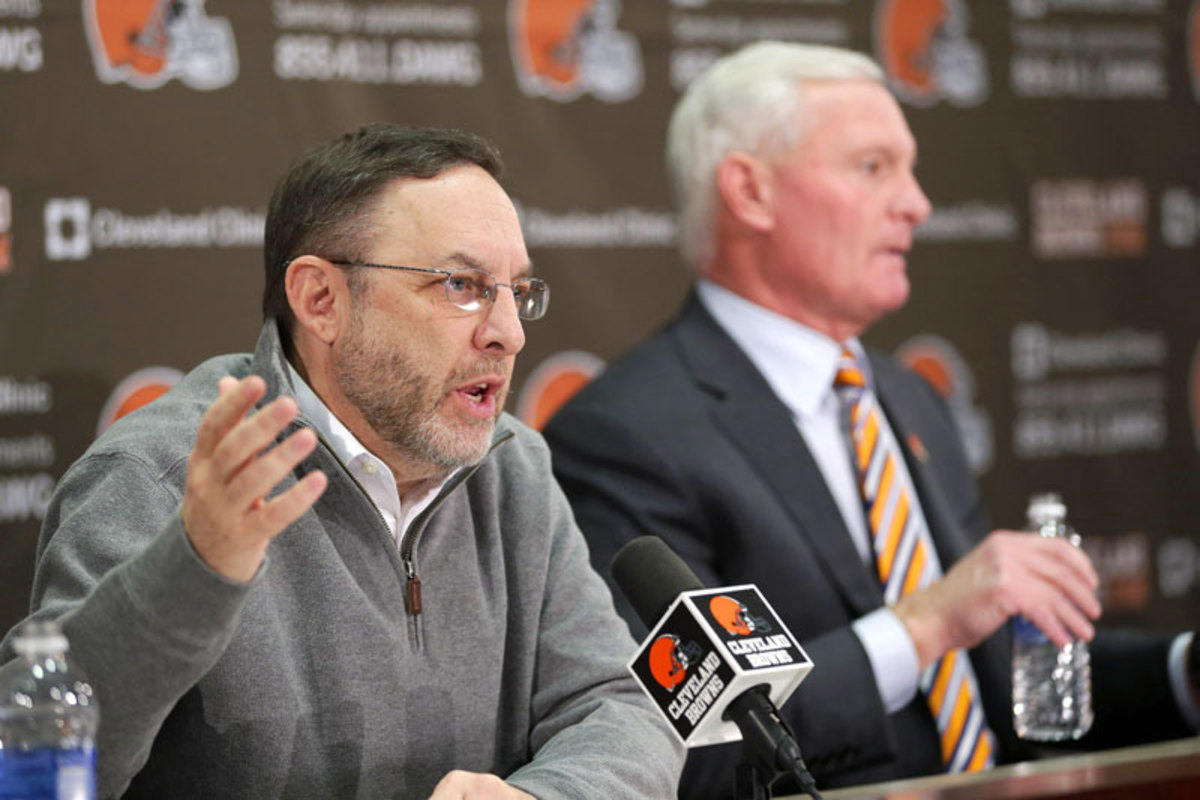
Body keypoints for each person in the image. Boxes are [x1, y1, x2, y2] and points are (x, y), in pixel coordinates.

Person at [543, 42, 1200, 796]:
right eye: (873, 167)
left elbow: (995, 682)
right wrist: (922, 627)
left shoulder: (903, 397)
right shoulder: (625, 436)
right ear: (750, 191)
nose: (916, 203)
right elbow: (688, 748)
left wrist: (1184, 671)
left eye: (909, 169)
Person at [0, 124, 684, 799]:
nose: (507, 332)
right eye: (461, 285)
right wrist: (195, 565)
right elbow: (38, 768)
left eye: (516, 292)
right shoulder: (156, 480)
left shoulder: (513, 469)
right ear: (321, 300)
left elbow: (616, 704)